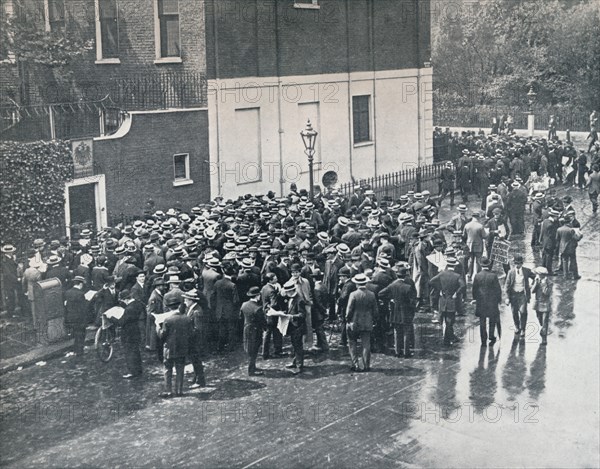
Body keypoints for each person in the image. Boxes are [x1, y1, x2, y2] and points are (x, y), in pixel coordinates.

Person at [158, 296, 193, 398]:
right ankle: (179, 391)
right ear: (179, 306)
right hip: (182, 348)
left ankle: (168, 390)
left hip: (169, 349)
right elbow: (190, 333)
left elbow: (162, 335)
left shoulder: (167, 320)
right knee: (180, 369)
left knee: (167, 370)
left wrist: (157, 327)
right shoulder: (186, 318)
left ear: (169, 308)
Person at [379, 266, 416, 358]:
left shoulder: (392, 285)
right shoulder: (408, 287)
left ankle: (397, 352)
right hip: (406, 313)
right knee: (406, 333)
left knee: (397, 332)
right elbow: (412, 302)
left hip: (395, 312)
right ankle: (406, 352)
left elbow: (380, 293)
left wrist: (390, 299)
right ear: (405, 276)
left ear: (397, 275)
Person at [429, 257, 465, 346]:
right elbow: (463, 285)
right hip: (452, 300)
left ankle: (450, 337)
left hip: (442, 299)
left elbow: (431, 282)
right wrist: (456, 293)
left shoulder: (441, 274)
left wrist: (439, 289)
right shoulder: (457, 276)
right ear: (454, 266)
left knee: (444, 319)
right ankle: (447, 339)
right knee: (450, 321)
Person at [345, 274, 377, 372]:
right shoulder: (371, 294)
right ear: (365, 283)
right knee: (366, 344)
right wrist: (374, 320)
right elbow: (375, 310)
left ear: (356, 284)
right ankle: (366, 365)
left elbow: (349, 309)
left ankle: (355, 364)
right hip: (367, 321)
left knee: (352, 342)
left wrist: (347, 319)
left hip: (354, 322)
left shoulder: (353, 294)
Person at [472, 257, 502, 346]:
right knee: (492, 320)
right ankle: (491, 336)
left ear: (481, 265)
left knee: (482, 321)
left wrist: (475, 299)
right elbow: (498, 289)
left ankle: (483, 339)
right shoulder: (493, 276)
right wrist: (499, 300)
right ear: (488, 265)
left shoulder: (477, 276)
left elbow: (474, 289)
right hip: (492, 302)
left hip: (481, 302)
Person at [184, 289, 209, 387]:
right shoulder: (190, 309)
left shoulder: (197, 312)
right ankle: (196, 377)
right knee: (194, 359)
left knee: (197, 360)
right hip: (192, 340)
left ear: (191, 300)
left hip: (195, 341)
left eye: (186, 300)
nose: (185, 302)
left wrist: (187, 334)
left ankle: (200, 381)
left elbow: (198, 329)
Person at [240, 286, 267, 376]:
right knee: (254, 350)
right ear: (257, 296)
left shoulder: (244, 304)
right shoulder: (258, 308)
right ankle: (251, 370)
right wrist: (265, 328)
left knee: (249, 348)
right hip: (255, 331)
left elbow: (240, 317)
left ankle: (253, 367)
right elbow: (262, 321)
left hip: (246, 328)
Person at [504, 255, 533, 336]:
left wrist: (532, 285)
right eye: (516, 263)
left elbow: (535, 277)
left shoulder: (526, 271)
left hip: (522, 295)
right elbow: (506, 285)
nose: (517, 265)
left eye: (519, 263)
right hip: (513, 295)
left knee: (523, 312)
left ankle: (523, 329)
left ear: (522, 263)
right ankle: (517, 327)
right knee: (514, 312)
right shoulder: (511, 272)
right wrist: (507, 297)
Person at [118, 289, 144, 379]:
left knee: (129, 353)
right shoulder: (137, 303)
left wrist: (111, 318)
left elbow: (121, 322)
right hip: (136, 331)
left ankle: (132, 372)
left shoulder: (129, 309)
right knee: (136, 351)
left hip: (128, 333)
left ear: (125, 299)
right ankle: (138, 370)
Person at [283, 282, 307, 374]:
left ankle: (299, 366)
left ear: (291, 291)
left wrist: (292, 316)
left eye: (287, 291)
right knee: (294, 345)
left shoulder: (299, 300)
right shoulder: (291, 299)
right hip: (293, 326)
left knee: (298, 346)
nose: (286, 293)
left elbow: (302, 314)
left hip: (298, 327)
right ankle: (295, 362)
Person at [64, 276, 88, 356]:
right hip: (79, 318)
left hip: (70, 317)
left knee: (75, 334)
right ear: (80, 284)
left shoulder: (67, 292)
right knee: (81, 335)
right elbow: (83, 309)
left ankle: (76, 349)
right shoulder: (81, 294)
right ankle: (80, 351)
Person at [463, 211, 487, 282]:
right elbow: (484, 236)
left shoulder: (467, 225)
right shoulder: (480, 226)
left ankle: (469, 275)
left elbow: (464, 235)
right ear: (478, 217)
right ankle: (478, 276)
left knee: (470, 261)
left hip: (469, 245)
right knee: (478, 261)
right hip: (478, 246)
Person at [531, 266, 551, 345]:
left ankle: (544, 338)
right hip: (537, 303)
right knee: (539, 318)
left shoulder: (549, 282)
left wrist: (543, 284)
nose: (538, 275)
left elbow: (546, 293)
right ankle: (543, 328)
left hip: (545, 303)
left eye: (539, 274)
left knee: (545, 320)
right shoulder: (536, 280)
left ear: (543, 275)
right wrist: (536, 283)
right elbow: (532, 291)